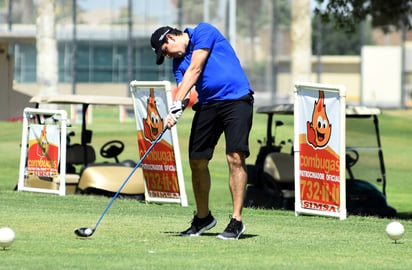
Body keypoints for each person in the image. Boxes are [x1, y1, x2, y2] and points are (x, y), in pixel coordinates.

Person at [150, 22, 254, 240]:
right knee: (196, 160)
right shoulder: (178, 62)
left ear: (169, 38)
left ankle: (236, 221)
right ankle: (203, 218)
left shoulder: (203, 32)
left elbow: (195, 68)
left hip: (236, 99)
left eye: (165, 52)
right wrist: (176, 111)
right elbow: (186, 90)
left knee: (235, 156)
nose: (167, 56)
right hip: (208, 105)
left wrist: (176, 102)